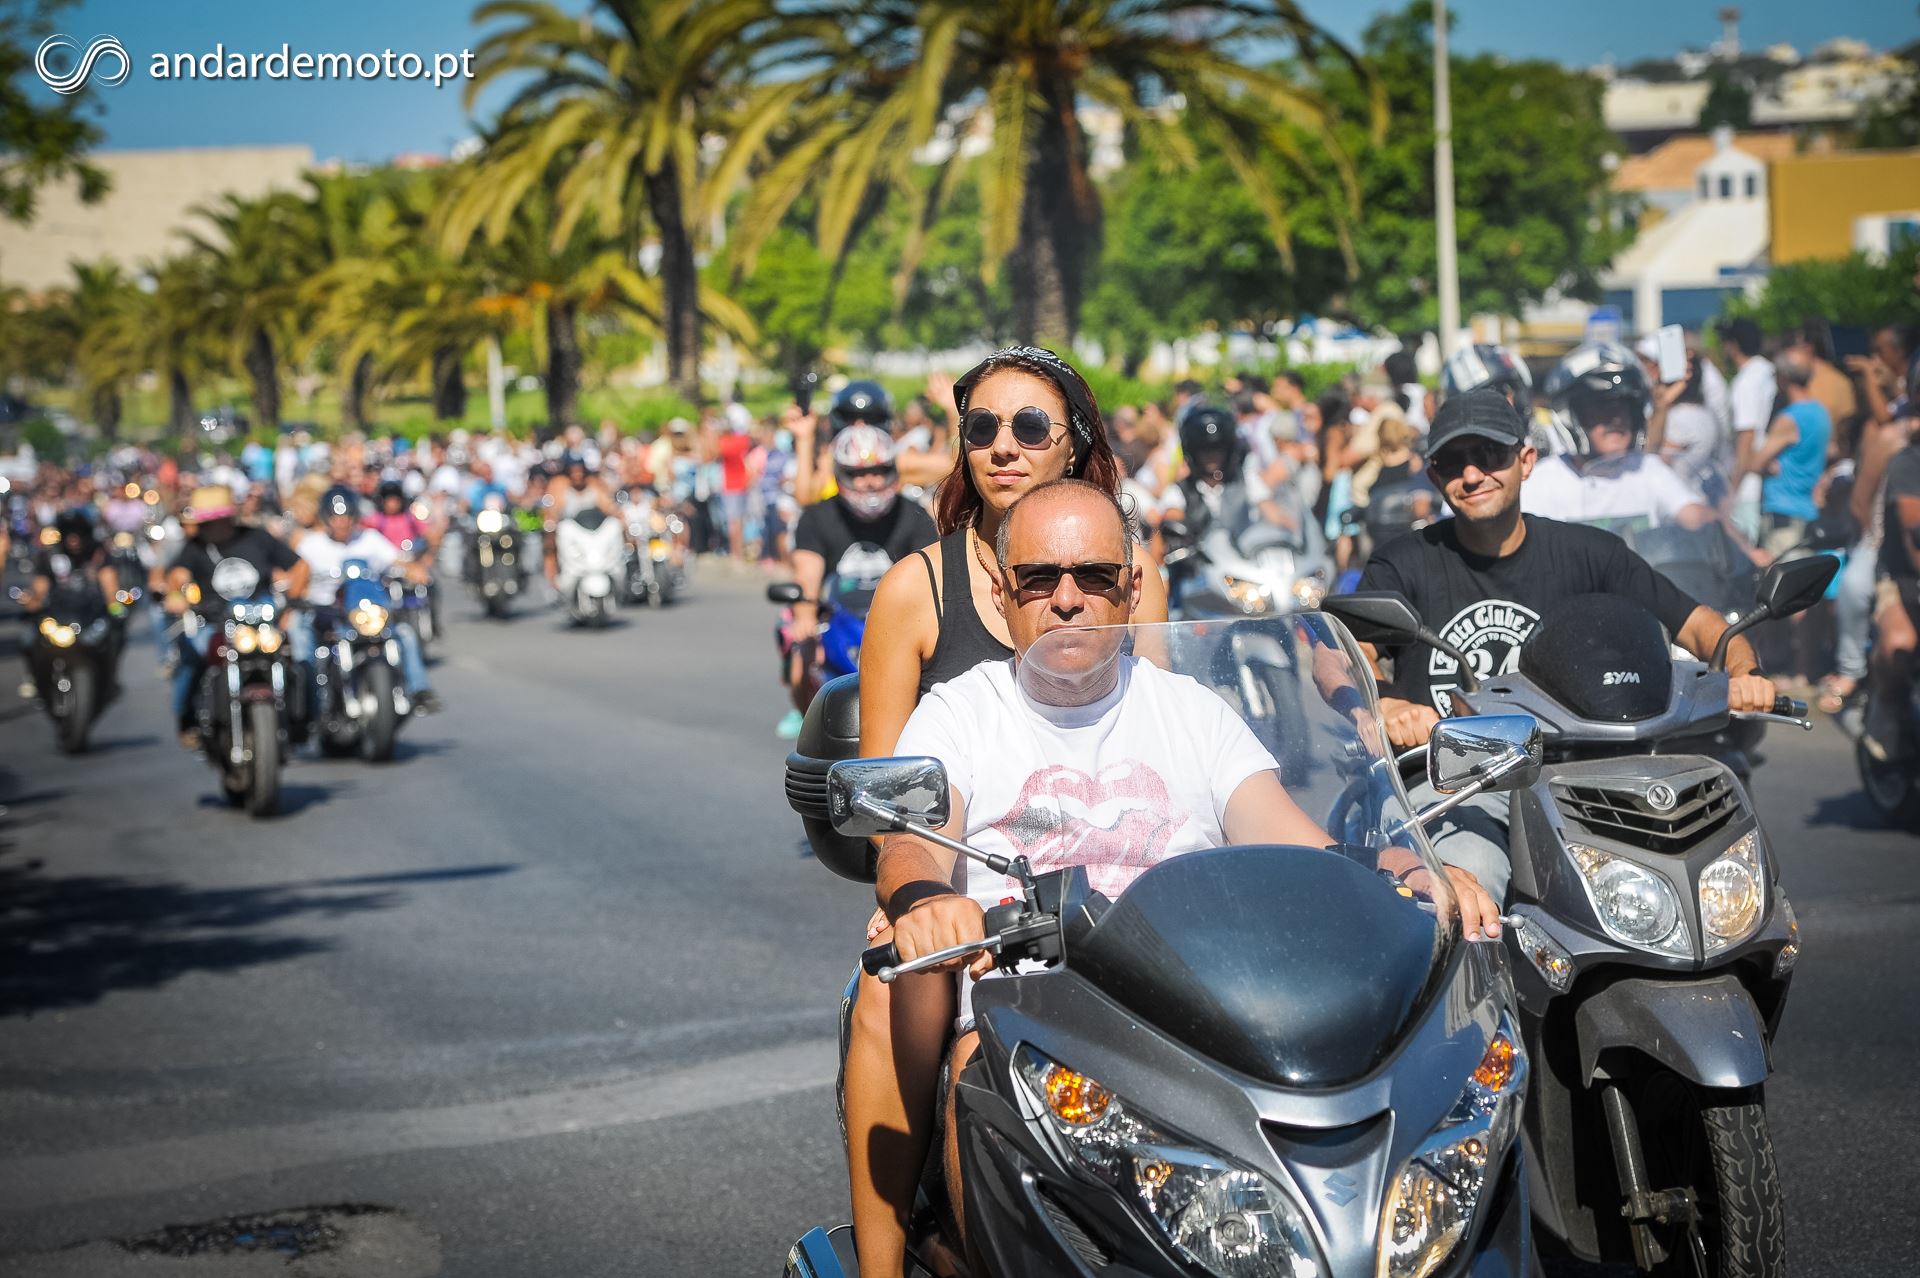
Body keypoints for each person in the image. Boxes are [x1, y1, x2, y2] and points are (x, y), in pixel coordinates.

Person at [875, 479, 1500, 1259]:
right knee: (979, 1070)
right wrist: (926, 898)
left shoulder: (1191, 711)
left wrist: (1405, 866)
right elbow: (912, 843)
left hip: (1195, 1012)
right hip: (1031, 1015)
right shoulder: (959, 714)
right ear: (1002, 595)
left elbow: (1298, 844)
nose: (1066, 599)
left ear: (1132, 587)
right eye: (1038, 578)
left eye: (1094, 575)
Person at [846, 346, 1170, 1278]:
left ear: (1076, 445)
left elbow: (1173, 735)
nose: (1002, 446)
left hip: (1113, 874)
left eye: (1030, 426)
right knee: (889, 988)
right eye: (981, 427)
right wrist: (911, 898)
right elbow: (886, 794)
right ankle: (885, 1254)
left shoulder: (1131, 575)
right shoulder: (916, 588)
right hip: (963, 891)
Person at [1356, 389, 1779, 901]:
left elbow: (1700, 624)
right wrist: (1387, 702)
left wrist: (1746, 674)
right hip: (1462, 781)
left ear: (1526, 461)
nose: (1472, 475)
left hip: (1588, 776)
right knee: (1472, 875)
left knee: (1711, 875)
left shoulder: (1589, 553)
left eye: (1489, 455)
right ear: (1433, 475)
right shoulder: (1402, 563)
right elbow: (1344, 656)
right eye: (1453, 462)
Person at [778, 426, 937, 737]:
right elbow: (807, 573)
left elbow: (932, 575)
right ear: (841, 474)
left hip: (899, 620)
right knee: (801, 664)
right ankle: (812, 733)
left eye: (879, 471)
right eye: (859, 473)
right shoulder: (817, 517)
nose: (871, 481)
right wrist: (805, 618)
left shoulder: (914, 516)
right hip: (835, 618)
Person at [162, 486, 304, 749]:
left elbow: (300, 566)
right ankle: (188, 719)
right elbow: (177, 575)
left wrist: (291, 605)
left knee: (298, 656)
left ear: (228, 518)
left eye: (212, 521)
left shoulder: (257, 538)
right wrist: (176, 594)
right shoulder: (194, 548)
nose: (207, 528)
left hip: (263, 623)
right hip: (214, 624)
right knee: (194, 657)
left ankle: (302, 717)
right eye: (204, 523)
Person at [1522, 343, 1718, 533]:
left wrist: (1723, 529)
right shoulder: (1542, 482)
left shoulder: (1646, 469)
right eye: (1602, 407)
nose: (1616, 418)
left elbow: (1695, 515)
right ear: (1573, 415)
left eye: (1624, 406)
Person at [291, 485, 441, 716]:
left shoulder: (369, 539)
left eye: (346, 517)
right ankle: (310, 700)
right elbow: (296, 580)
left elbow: (397, 561)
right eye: (336, 518)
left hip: (366, 613)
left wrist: (415, 570)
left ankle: (418, 690)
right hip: (327, 614)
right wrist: (295, 599)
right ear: (326, 518)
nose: (341, 523)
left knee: (405, 634)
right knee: (300, 639)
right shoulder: (311, 545)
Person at [1751, 357, 1832, 557]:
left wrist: (1767, 464)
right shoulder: (1821, 413)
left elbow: (1755, 463)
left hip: (1783, 512)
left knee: (1782, 574)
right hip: (1809, 512)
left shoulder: (1789, 419)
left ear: (1783, 378)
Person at [1717, 317, 1777, 540]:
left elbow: (1746, 438)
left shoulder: (1746, 382)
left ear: (1733, 345)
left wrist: (1731, 491)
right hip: (1768, 478)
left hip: (1748, 486)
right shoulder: (1769, 372)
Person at [717, 403, 754, 560]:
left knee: (734, 522)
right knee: (738, 521)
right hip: (740, 485)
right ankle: (738, 552)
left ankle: (736, 552)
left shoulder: (728, 441)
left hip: (732, 486)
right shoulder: (743, 440)